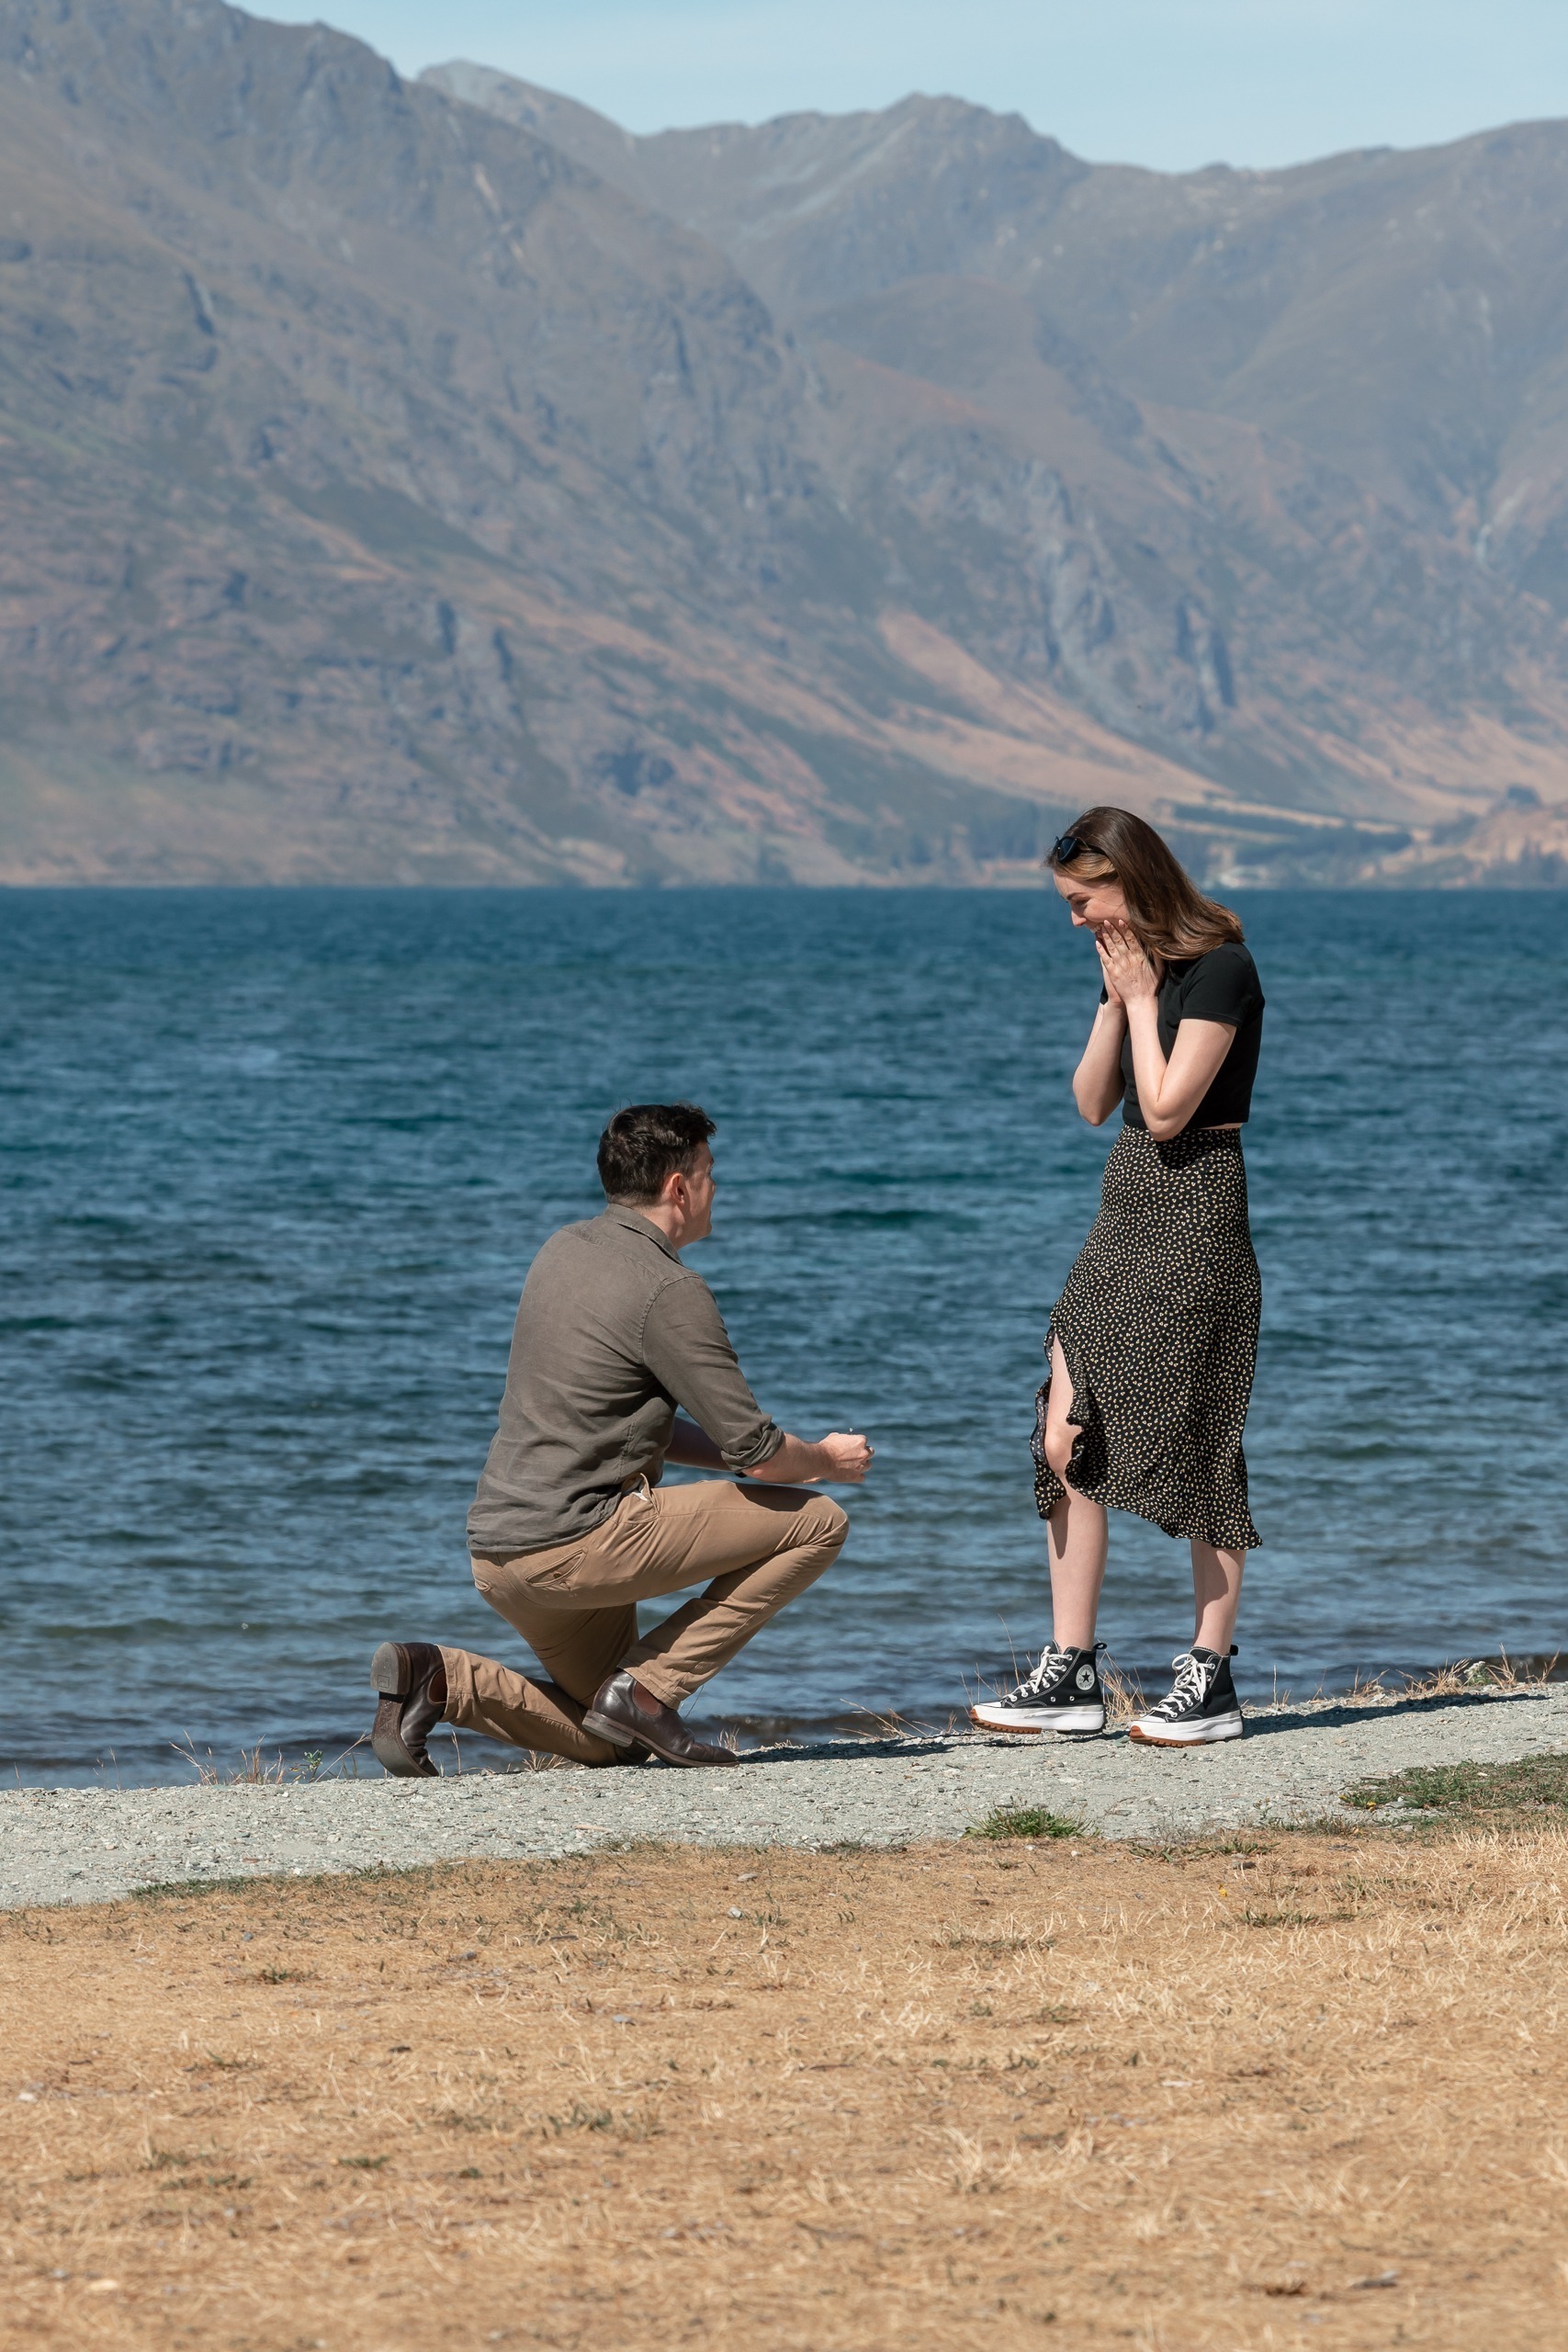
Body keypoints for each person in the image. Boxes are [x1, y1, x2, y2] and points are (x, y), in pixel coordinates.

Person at [369, 1102, 872, 1774]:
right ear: (678, 1187)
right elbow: (759, 1457)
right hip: (577, 1545)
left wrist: (779, 1457)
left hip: (498, 1554)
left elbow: (627, 1425)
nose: (715, 1188)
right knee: (817, 1523)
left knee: (613, 1739)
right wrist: (824, 1460)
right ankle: (649, 1690)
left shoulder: (562, 1249)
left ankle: (438, 1679)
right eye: (710, 1172)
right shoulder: (669, 1289)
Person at [970, 808, 1265, 1747]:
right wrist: (1113, 1000)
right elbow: (1097, 1103)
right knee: (1064, 1434)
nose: (1075, 919)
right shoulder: (1133, 973)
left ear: (1130, 880)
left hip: (1196, 1207)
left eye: (1083, 899)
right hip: (1125, 1203)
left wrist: (1143, 1003)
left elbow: (1174, 1107)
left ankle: (1209, 1675)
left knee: (1199, 1433)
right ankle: (1073, 1673)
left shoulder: (1222, 966)